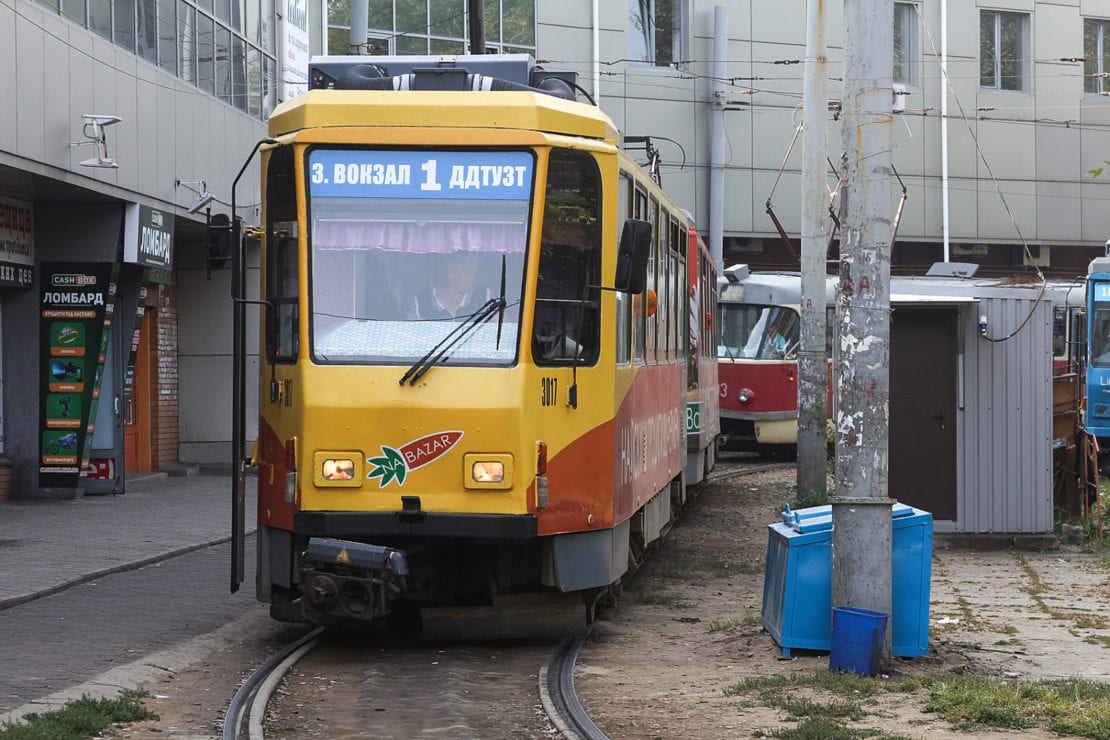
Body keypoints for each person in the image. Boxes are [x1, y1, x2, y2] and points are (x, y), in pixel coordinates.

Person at [413, 251, 495, 319]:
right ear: (450, 272)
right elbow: (408, 336)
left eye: (475, 272)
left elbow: (503, 330)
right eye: (468, 272)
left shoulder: (484, 296)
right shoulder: (422, 301)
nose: (473, 277)